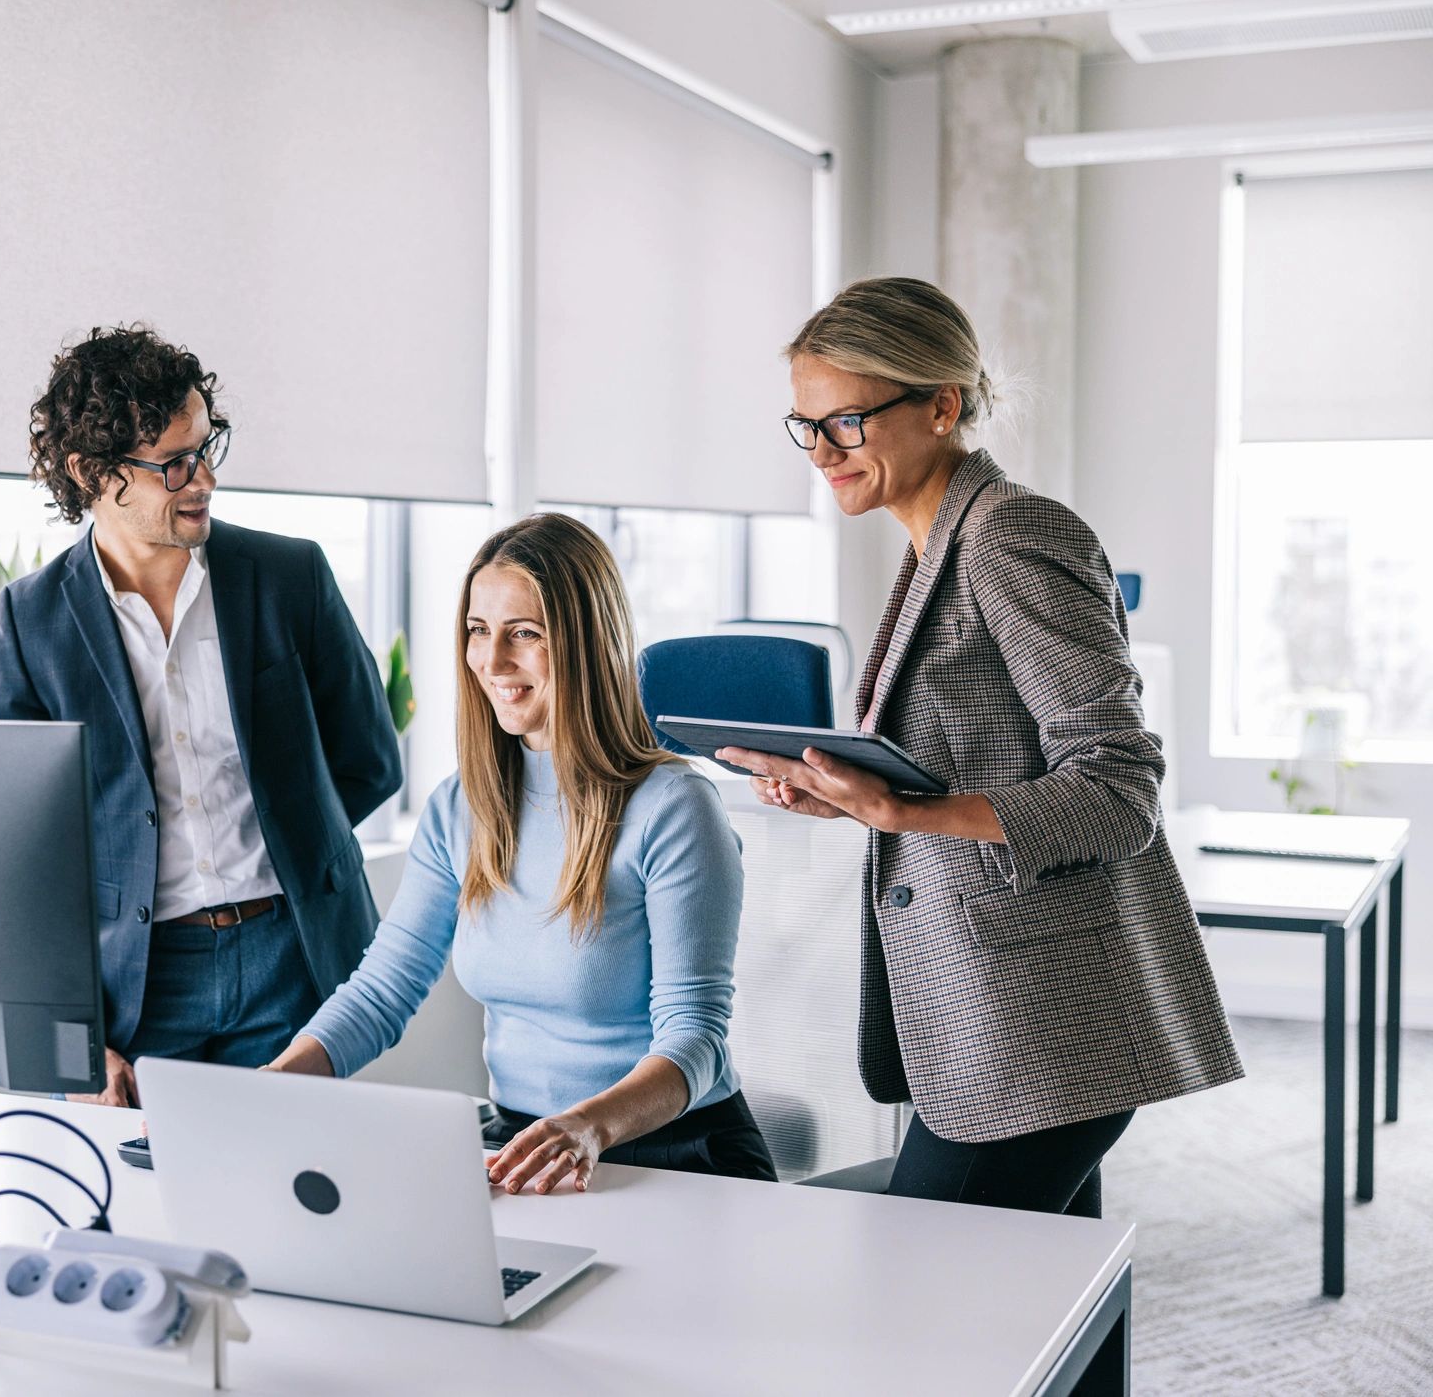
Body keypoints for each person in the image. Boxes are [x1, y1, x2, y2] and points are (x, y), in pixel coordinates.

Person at [721, 277, 1242, 1216]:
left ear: (940, 406)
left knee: (927, 1299)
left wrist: (903, 810)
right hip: (987, 1013)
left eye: (844, 422)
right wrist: (848, 792)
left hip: (1042, 1023)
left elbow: (1120, 789)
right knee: (1049, 1325)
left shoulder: (1010, 534)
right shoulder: (935, 544)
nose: (823, 452)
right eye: (805, 427)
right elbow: (983, 761)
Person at [267, 514, 775, 1193]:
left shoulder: (673, 806)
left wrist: (587, 1128)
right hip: (526, 1148)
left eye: (525, 634)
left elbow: (696, 1039)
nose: (493, 661)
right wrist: (266, 1091)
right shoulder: (462, 807)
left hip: (673, 1153)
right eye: (479, 631)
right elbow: (382, 992)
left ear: (587, 642)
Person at [0, 325, 402, 1106]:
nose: (203, 477)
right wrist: (74, 1026)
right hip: (140, 986)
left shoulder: (289, 577)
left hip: (293, 961)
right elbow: (24, 853)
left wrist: (285, 849)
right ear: (92, 472)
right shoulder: (32, 620)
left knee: (297, 1204)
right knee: (152, 1213)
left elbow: (369, 759)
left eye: (208, 447)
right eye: (174, 462)